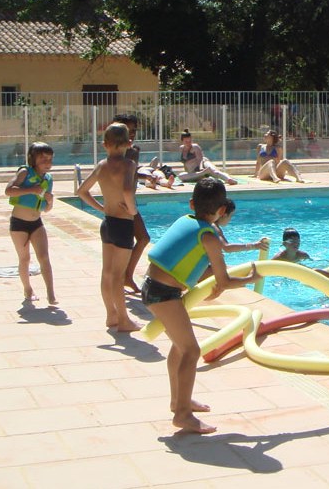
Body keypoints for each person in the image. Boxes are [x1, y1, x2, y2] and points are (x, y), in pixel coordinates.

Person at [143, 178, 262, 434]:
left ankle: (179, 402)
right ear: (222, 210)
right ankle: (183, 415)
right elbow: (224, 280)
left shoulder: (186, 221)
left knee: (180, 348)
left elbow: (186, 263)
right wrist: (250, 279)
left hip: (154, 287)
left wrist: (207, 287)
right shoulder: (209, 237)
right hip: (164, 294)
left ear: (191, 203)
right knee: (191, 350)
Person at [76, 123, 140, 332]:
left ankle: (111, 315)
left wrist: (101, 207)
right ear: (128, 143)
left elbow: (81, 191)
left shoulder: (102, 165)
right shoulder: (129, 164)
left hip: (108, 222)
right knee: (118, 276)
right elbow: (128, 191)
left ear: (105, 144)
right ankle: (123, 319)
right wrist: (132, 210)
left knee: (107, 273)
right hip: (123, 224)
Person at [4, 142, 57, 304]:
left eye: (50, 159)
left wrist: (50, 201)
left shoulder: (48, 179)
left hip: (36, 223)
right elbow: (8, 191)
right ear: (33, 159)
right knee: (25, 259)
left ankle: (51, 293)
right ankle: (28, 289)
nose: (47, 163)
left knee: (44, 257)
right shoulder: (25, 172)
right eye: (43, 159)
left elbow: (46, 209)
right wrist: (31, 190)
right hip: (19, 224)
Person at [113, 113, 151, 295]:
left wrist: (144, 176)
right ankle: (123, 277)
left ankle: (125, 277)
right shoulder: (118, 152)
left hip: (129, 201)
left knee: (140, 239)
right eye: (128, 130)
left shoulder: (133, 150)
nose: (132, 133)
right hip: (123, 203)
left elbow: (131, 174)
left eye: (134, 130)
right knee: (136, 240)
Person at [198, 199, 270, 282]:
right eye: (231, 216)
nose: (230, 219)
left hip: (200, 268)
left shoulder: (208, 224)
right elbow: (227, 247)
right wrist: (254, 246)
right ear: (224, 214)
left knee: (239, 270)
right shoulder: (214, 227)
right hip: (199, 272)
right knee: (246, 273)